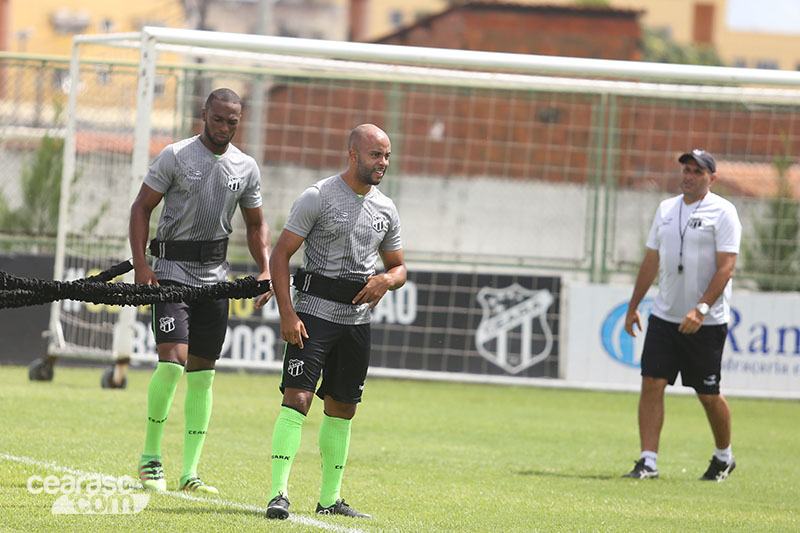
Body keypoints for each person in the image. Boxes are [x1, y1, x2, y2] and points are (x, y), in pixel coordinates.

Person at [129, 88, 272, 495]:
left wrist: (264, 268)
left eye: (233, 122)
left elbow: (257, 224)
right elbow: (141, 208)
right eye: (219, 119)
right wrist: (142, 265)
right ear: (204, 114)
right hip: (171, 273)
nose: (225, 127)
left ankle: (189, 472)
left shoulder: (246, 167)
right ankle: (150, 459)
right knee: (172, 364)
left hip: (215, 281)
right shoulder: (175, 155)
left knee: (203, 377)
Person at [265, 124, 406, 520]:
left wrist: (385, 280)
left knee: (343, 407)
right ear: (354, 154)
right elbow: (280, 257)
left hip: (356, 324)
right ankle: (278, 493)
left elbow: (399, 269)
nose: (383, 163)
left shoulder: (386, 209)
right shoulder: (318, 197)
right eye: (376, 155)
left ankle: (329, 500)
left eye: (387, 155)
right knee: (298, 399)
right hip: (312, 318)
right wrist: (287, 313)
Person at [622, 149, 741, 482]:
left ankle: (723, 457)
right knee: (651, 382)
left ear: (711, 178)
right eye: (686, 170)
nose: (689, 176)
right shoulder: (665, 209)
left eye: (698, 172)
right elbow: (650, 261)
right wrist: (633, 306)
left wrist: (701, 309)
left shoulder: (724, 212)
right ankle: (648, 461)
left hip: (706, 320)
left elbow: (727, 267)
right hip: (664, 317)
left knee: (707, 394)